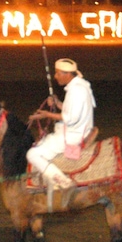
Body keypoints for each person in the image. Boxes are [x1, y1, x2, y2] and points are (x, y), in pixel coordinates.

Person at [27, 58, 95, 192]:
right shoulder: (80, 86)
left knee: (32, 154)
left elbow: (71, 118)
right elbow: (73, 111)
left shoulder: (76, 91)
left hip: (73, 135)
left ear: (67, 74)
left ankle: (63, 182)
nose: (55, 76)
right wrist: (58, 103)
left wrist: (47, 115)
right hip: (78, 130)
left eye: (58, 73)